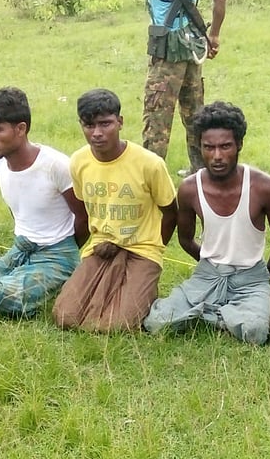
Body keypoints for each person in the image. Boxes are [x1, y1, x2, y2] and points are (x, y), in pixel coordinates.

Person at [144, 102, 270, 344]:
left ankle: (209, 311)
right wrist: (208, 265)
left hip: (251, 277)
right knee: (157, 322)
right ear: (199, 147)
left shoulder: (263, 186)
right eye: (208, 147)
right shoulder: (190, 188)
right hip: (208, 274)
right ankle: (220, 312)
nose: (217, 156)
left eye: (225, 146)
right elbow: (184, 238)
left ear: (239, 145)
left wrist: (264, 277)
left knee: (255, 332)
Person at [104, 0, 227, 176]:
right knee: (195, 113)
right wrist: (214, 35)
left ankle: (151, 177)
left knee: (157, 116)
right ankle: (201, 172)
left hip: (166, 54)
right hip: (193, 47)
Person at [0, 88, 88, 317]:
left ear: (21, 129)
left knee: (5, 298)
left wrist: (63, 249)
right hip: (22, 246)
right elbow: (21, 209)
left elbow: (84, 217)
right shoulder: (1, 163)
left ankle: (64, 279)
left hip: (58, 253)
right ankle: (18, 276)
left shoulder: (56, 166)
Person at [52, 89, 178, 332]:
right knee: (65, 316)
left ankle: (144, 287)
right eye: (89, 125)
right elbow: (84, 210)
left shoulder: (149, 164)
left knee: (115, 326)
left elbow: (171, 212)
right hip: (101, 246)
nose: (97, 133)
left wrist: (154, 246)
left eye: (105, 124)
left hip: (142, 250)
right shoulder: (79, 162)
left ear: (120, 122)